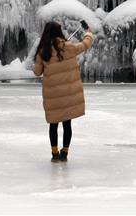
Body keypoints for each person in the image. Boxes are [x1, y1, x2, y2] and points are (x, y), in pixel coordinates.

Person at [33, 20, 93, 162]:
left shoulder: (43, 52)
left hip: (52, 96)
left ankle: (54, 153)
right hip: (68, 95)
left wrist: (36, 61)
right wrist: (88, 32)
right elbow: (85, 44)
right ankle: (64, 153)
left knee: (53, 124)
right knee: (67, 124)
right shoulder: (68, 47)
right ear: (59, 32)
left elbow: (37, 72)